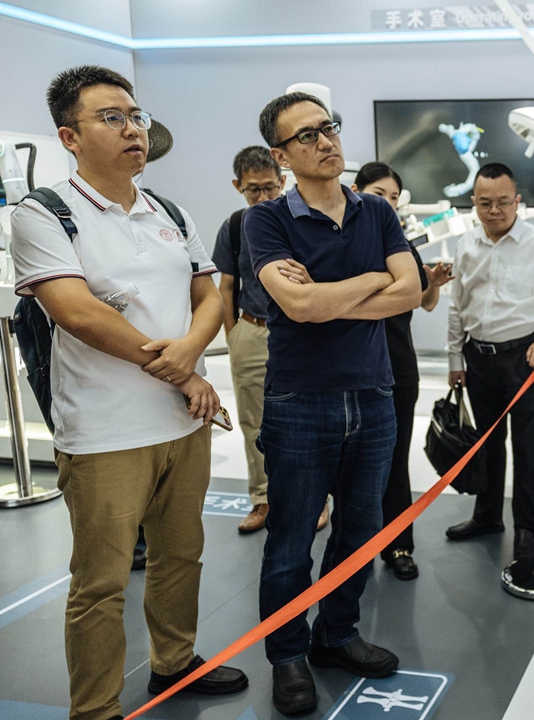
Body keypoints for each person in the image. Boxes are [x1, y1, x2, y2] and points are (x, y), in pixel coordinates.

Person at [9, 65, 246, 720]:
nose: (132, 128)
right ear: (70, 136)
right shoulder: (45, 213)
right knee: (102, 583)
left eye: (135, 116)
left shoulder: (167, 209)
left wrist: (195, 352)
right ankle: (96, 708)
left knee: (181, 556)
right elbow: (78, 314)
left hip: (180, 423)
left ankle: (174, 661)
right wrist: (186, 372)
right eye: (111, 117)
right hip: (106, 431)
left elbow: (210, 291)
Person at [245, 92, 422, 716]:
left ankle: (337, 633)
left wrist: (335, 293)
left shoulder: (375, 211)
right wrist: (374, 280)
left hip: (373, 395)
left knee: (360, 531)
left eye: (330, 127)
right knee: (290, 540)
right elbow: (297, 308)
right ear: (281, 154)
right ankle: (287, 654)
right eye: (308, 135)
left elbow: (410, 292)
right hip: (300, 401)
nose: (326, 141)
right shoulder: (265, 221)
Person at [445, 163, 534, 582]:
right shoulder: (466, 245)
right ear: (474, 202)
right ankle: (487, 516)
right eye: (485, 203)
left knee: (529, 450)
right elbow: (456, 305)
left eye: (503, 202)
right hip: (478, 358)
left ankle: (527, 530)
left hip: (524, 358)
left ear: (517, 201)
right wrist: (455, 359)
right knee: (485, 445)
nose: (494, 211)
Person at [211, 147, 333, 535]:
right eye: (252, 191)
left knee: (310, 421)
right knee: (253, 423)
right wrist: (234, 335)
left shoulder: (300, 221)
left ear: (282, 180)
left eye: (268, 188)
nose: (261, 197)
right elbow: (227, 285)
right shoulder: (234, 226)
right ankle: (262, 500)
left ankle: (316, 501)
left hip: (300, 333)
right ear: (237, 187)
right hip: (251, 329)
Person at [351, 161, 453, 580]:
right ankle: (355, 547)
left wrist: (431, 287)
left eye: (394, 198)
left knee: (395, 460)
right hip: (353, 370)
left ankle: (398, 545)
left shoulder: (403, 246)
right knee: (352, 465)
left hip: (398, 371)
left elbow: (420, 302)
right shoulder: (345, 242)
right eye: (379, 194)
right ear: (355, 191)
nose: (388, 204)